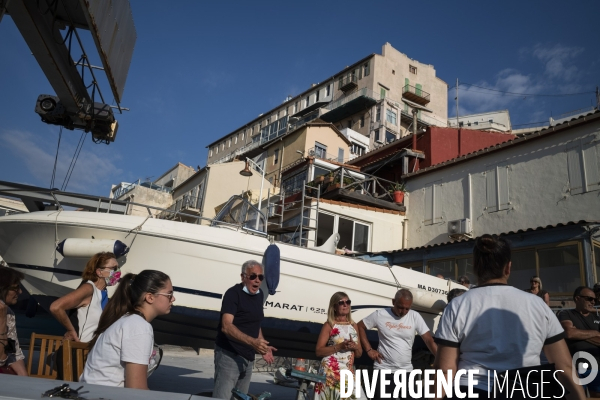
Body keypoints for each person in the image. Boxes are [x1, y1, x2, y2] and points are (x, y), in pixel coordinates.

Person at [433, 234, 584, 400]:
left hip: (472, 390)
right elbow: (565, 366)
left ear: (475, 267)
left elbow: (445, 370)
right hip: (523, 390)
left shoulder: (457, 306)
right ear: (508, 268)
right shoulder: (537, 305)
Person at [80, 270, 175, 388]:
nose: (173, 299)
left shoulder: (129, 320)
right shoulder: (138, 327)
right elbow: (136, 390)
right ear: (150, 297)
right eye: (169, 295)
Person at [213, 260, 276, 400]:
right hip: (229, 355)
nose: (257, 280)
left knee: (242, 398)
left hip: (247, 357)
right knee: (222, 397)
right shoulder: (232, 294)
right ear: (243, 277)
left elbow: (255, 323)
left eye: (261, 277)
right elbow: (226, 326)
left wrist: (262, 345)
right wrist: (253, 342)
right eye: (253, 276)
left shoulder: (259, 295)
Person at [357, 289, 437, 399]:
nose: (403, 312)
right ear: (393, 301)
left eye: (407, 309)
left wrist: (440, 359)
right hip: (383, 371)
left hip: (406, 372)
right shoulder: (380, 314)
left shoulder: (415, 316)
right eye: (400, 307)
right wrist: (369, 350)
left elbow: (428, 340)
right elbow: (359, 326)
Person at [50, 252, 120, 342]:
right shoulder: (89, 288)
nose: (117, 271)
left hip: (95, 351)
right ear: (99, 272)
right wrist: (71, 330)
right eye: (113, 268)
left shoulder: (103, 292)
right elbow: (56, 307)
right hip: (80, 350)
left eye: (117, 268)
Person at [314, 292, 362, 400]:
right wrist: (340, 347)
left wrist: (355, 347)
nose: (345, 305)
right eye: (341, 303)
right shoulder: (329, 324)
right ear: (334, 307)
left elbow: (359, 354)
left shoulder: (354, 325)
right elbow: (318, 351)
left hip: (348, 369)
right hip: (331, 369)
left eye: (348, 302)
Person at [558, 286, 600, 397]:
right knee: (577, 397)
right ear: (577, 298)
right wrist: (596, 333)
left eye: (594, 300)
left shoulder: (598, 318)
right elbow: (569, 333)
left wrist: (578, 332)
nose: (593, 302)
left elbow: (572, 333)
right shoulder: (566, 314)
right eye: (589, 298)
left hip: (597, 367)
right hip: (574, 367)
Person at [0, 267, 27, 375]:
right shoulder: (4, 313)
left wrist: (27, 382)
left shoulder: (8, 312)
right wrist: (2, 320)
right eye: (16, 288)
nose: (20, 292)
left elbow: (13, 352)